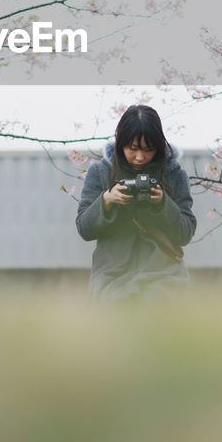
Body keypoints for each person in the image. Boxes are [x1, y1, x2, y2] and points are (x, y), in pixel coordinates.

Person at [75, 104, 197, 300]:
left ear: (158, 146)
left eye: (148, 150)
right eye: (133, 148)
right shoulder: (101, 172)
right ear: (120, 143)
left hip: (163, 274)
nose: (140, 157)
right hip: (112, 274)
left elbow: (185, 234)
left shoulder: (175, 175)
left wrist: (163, 204)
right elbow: (84, 229)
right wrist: (106, 201)